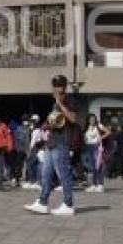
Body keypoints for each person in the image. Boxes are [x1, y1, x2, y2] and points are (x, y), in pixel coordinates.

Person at [25, 74, 79, 216]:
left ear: (64, 86)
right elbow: (55, 120)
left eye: (59, 84)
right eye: (55, 84)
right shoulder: (54, 103)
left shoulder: (69, 99)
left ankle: (68, 204)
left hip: (62, 142)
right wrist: (46, 125)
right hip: (51, 141)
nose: (57, 87)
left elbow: (73, 118)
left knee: (63, 174)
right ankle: (42, 203)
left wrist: (60, 103)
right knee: (46, 174)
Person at [83, 114, 109, 193]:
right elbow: (85, 137)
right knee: (93, 167)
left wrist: (100, 138)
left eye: (94, 119)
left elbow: (108, 132)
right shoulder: (87, 127)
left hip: (97, 147)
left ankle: (100, 185)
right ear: (88, 120)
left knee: (99, 166)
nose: (92, 120)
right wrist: (85, 141)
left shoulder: (99, 125)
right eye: (91, 119)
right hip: (89, 147)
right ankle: (94, 185)